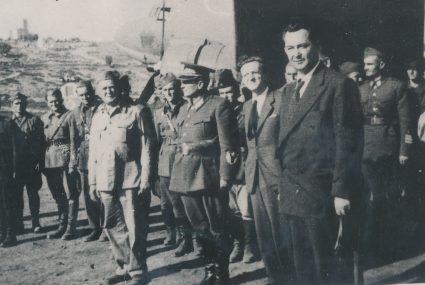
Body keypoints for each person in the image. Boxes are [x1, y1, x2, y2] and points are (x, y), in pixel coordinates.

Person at [278, 17, 363, 284]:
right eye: (290, 48)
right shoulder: (289, 91)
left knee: (328, 269)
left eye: (302, 46)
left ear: (317, 46)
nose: (296, 54)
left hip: (322, 193)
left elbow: (348, 142)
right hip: (293, 192)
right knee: (303, 269)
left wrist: (342, 191)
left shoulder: (338, 85)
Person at [169, 63, 239, 285]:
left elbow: (228, 145)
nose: (182, 87)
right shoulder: (184, 109)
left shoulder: (219, 105)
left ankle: (221, 274)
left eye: (186, 83)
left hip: (208, 178)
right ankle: (210, 270)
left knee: (217, 227)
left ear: (200, 84)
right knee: (200, 228)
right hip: (185, 178)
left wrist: (226, 177)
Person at [88, 71, 157, 285]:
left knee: (134, 226)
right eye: (104, 88)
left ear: (119, 87)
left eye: (111, 87)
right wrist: (92, 181)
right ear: (99, 91)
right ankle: (123, 266)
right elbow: (93, 151)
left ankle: (137, 271)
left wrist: (146, 177)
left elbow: (148, 148)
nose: (108, 91)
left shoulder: (137, 111)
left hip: (131, 179)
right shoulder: (97, 114)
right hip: (105, 180)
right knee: (111, 225)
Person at [360, 47, 413, 266]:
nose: (366, 68)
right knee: (370, 200)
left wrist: (403, 150)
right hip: (365, 149)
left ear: (381, 64)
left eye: (370, 64)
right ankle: (372, 248)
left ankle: (390, 247)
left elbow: (405, 122)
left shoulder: (396, 87)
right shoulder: (360, 88)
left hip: (388, 149)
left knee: (388, 200)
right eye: (364, 64)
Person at [239, 56, 286, 284]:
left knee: (281, 231)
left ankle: (289, 277)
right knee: (263, 233)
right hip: (254, 176)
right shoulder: (247, 106)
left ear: (265, 74)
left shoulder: (281, 98)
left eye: (255, 73)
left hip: (277, 176)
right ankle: (273, 276)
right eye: (246, 75)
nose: (251, 78)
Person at [216, 69, 259, 264]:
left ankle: (250, 245)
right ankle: (238, 243)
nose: (226, 97)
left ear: (236, 91)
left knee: (246, 208)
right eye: (222, 93)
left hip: (242, 164)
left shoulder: (245, 109)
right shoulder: (217, 111)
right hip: (224, 166)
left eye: (229, 92)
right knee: (230, 208)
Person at [152, 72, 194, 256]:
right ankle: (178, 236)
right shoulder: (158, 113)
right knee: (167, 202)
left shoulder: (188, 107)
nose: (169, 93)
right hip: (165, 161)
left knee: (186, 202)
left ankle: (190, 239)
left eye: (172, 89)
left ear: (179, 90)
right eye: (165, 90)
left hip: (183, 157)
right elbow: (154, 142)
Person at [68, 80, 104, 242]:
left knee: (105, 193)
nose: (85, 97)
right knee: (88, 195)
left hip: (102, 157)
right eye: (81, 95)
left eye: (87, 93)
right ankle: (95, 227)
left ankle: (107, 228)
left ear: (93, 91)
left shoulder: (103, 108)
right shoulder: (75, 113)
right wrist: (73, 161)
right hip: (84, 159)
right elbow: (73, 139)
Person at [41, 88, 79, 240]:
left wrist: (72, 162)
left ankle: (71, 227)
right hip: (49, 162)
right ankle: (61, 225)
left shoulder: (70, 116)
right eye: (51, 101)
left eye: (57, 100)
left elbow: (74, 141)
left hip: (65, 160)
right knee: (57, 194)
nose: (54, 104)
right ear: (47, 103)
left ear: (61, 100)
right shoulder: (45, 118)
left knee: (71, 194)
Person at [9, 92, 44, 235]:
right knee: (17, 196)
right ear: (11, 106)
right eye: (16, 103)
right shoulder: (8, 122)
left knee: (33, 194)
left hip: (31, 164)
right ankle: (19, 224)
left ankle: (35, 222)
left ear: (26, 104)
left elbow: (41, 143)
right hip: (15, 165)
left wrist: (39, 162)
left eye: (22, 103)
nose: (19, 106)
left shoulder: (34, 120)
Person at [0, 99, 15, 247]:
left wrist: (14, 169)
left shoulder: (6, 123)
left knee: (6, 202)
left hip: (4, 169)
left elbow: (14, 149)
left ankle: (10, 234)